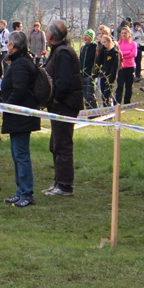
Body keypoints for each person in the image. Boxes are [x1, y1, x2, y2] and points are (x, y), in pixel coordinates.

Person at [42, 21, 84, 197]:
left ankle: (65, 185)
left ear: (51, 35)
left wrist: (56, 99)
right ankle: (58, 181)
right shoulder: (58, 51)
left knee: (63, 144)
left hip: (65, 105)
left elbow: (64, 81)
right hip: (59, 105)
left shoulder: (63, 53)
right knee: (55, 144)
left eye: (47, 31)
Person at [0, 31, 39, 208]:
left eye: (8, 43)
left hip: (21, 116)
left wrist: (6, 106)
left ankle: (27, 193)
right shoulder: (19, 62)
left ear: (13, 45)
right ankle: (20, 191)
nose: (7, 46)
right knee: (16, 155)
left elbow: (20, 89)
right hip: (15, 117)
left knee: (22, 155)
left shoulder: (21, 63)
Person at [95, 35, 120, 107]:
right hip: (103, 75)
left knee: (106, 95)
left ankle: (110, 109)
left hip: (110, 76)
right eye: (102, 42)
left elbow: (115, 68)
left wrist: (111, 79)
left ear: (109, 42)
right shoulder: (104, 52)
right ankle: (109, 108)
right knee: (103, 95)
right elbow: (98, 62)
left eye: (105, 42)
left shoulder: (114, 53)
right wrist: (102, 50)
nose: (103, 44)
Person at [116, 26, 137, 104]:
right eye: (122, 33)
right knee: (120, 86)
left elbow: (133, 54)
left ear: (129, 34)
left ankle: (127, 102)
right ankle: (118, 102)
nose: (124, 35)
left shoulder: (133, 44)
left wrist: (123, 54)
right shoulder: (118, 44)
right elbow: (117, 54)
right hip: (121, 67)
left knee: (129, 86)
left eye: (125, 33)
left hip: (130, 67)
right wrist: (127, 52)